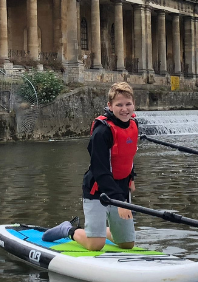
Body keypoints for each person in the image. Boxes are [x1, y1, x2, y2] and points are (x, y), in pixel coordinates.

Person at [41, 82, 138, 250]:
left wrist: (131, 177)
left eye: (128, 104)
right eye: (119, 105)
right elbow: (100, 170)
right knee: (95, 245)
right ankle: (69, 229)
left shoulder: (134, 124)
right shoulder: (102, 132)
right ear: (110, 106)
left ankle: (99, 231)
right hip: (97, 190)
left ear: (134, 104)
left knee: (127, 244)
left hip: (120, 188)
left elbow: (127, 155)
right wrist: (120, 203)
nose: (124, 109)